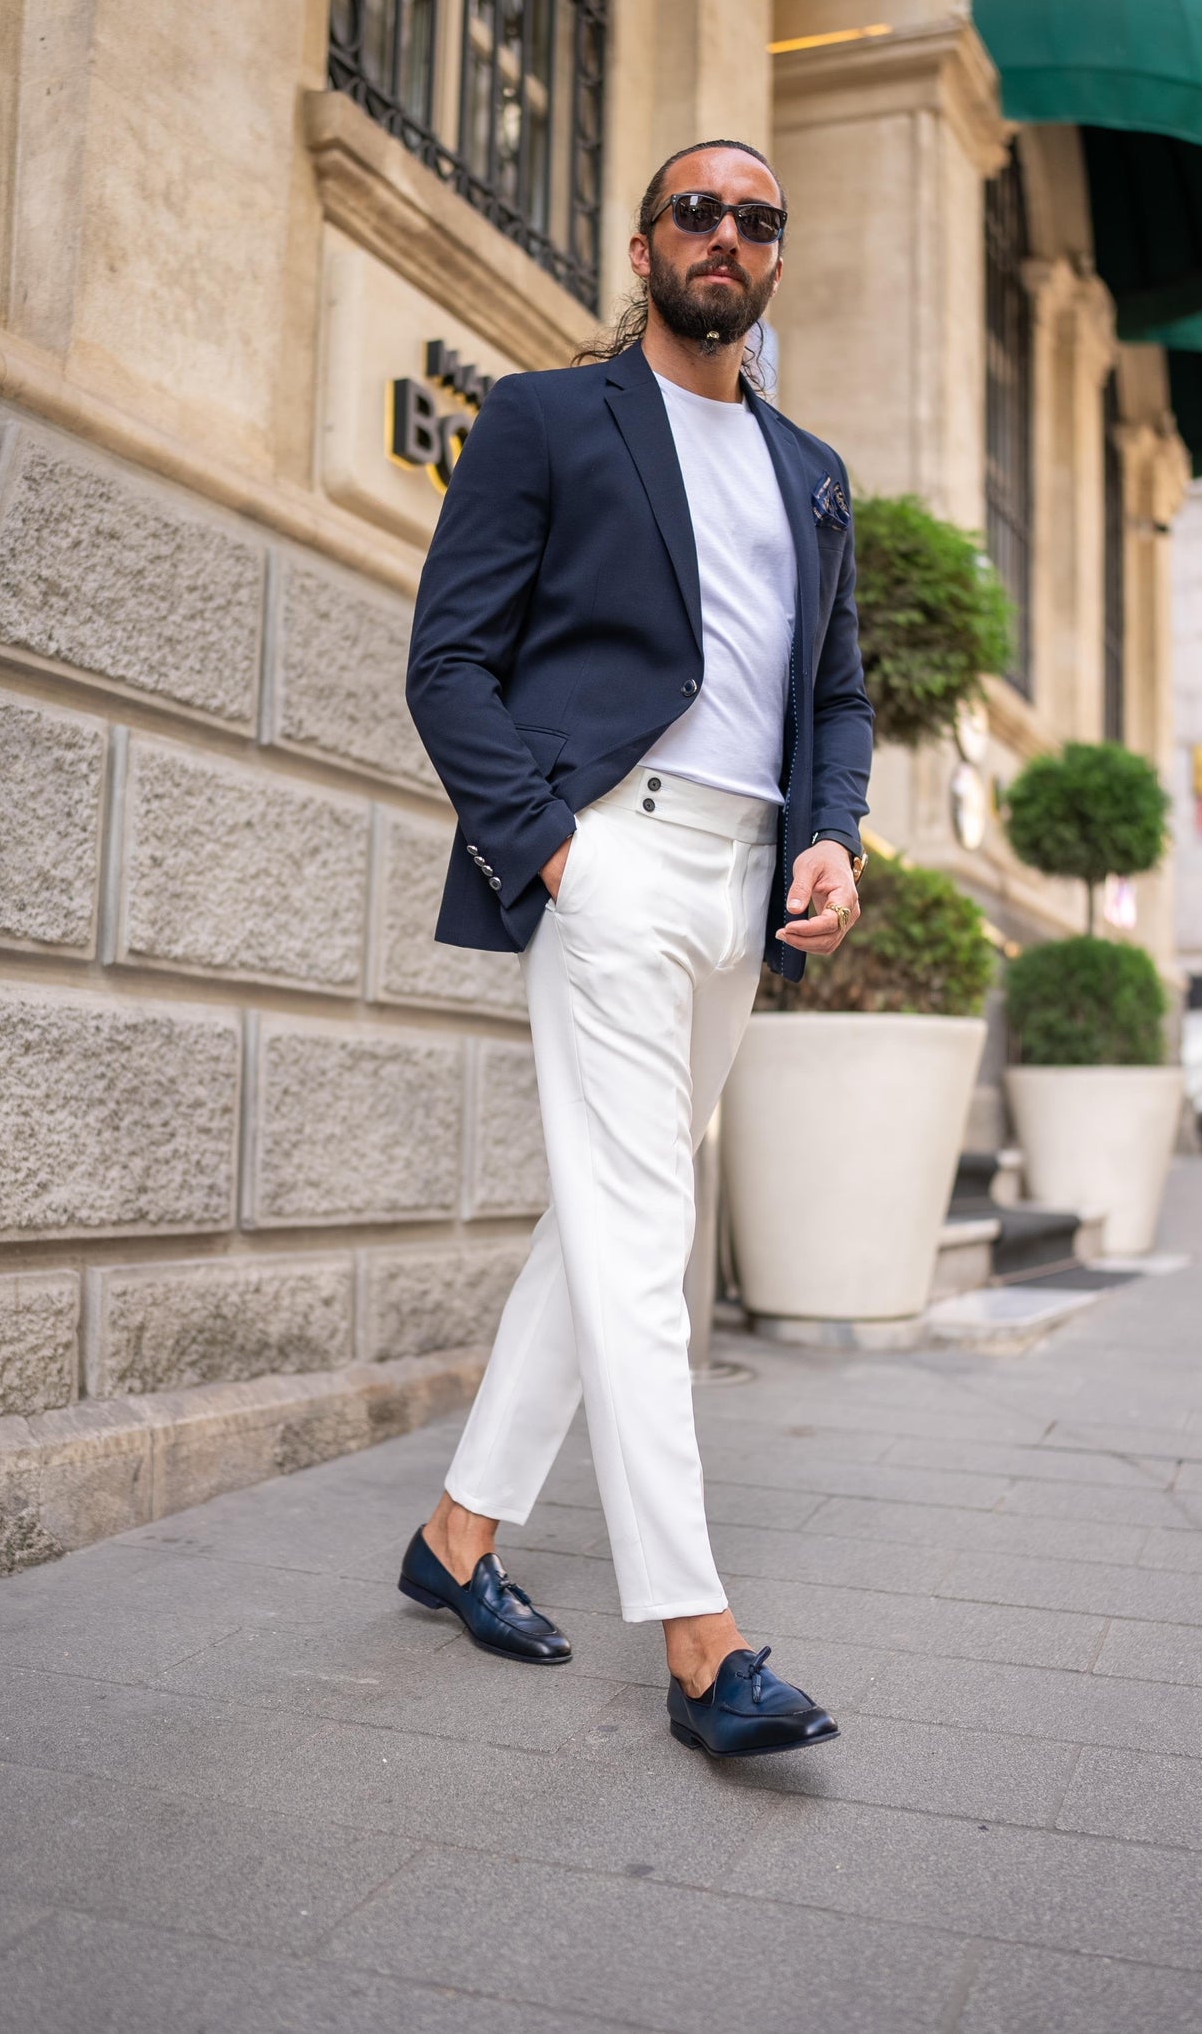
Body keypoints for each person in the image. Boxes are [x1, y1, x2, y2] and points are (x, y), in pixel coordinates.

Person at [400, 139, 873, 1758]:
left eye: (755, 218)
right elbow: (447, 657)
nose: (724, 235)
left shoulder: (810, 469)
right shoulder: (547, 418)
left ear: (774, 262)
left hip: (744, 887)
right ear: (643, 245)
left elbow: (831, 694)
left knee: (602, 1215)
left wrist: (830, 834)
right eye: (697, 211)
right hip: (611, 858)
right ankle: (699, 1641)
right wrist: (548, 846)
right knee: (643, 1237)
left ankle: (455, 1537)